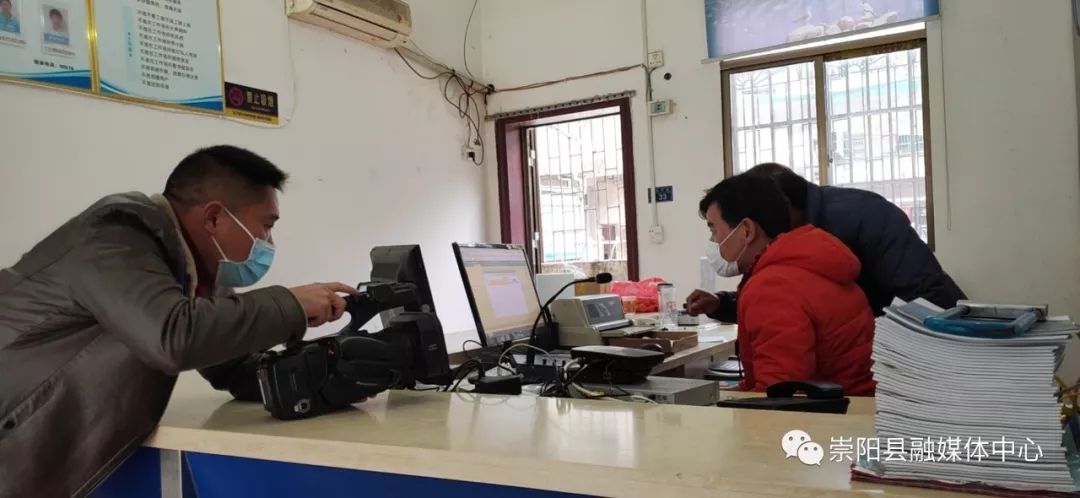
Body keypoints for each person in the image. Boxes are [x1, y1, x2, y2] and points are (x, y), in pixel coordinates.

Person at [0, 145, 361, 497]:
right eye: (266, 226)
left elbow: (231, 366)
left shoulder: (193, 268)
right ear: (214, 218)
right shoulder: (114, 237)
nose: (268, 242)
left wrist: (332, 373)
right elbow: (174, 337)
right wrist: (290, 304)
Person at [693, 162, 966, 321]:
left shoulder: (865, 217)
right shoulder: (787, 239)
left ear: (781, 205)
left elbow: (932, 300)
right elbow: (780, 302)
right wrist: (723, 304)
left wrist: (873, 347)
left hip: (915, 356)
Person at [687, 174, 875, 395]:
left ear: (747, 230)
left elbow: (780, 395)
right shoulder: (806, 262)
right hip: (854, 403)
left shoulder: (772, 287)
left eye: (714, 230)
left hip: (833, 411)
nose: (713, 241)